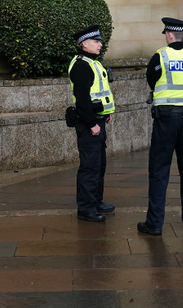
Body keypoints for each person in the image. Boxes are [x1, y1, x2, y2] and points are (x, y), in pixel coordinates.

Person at [138, 17, 183, 235]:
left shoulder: (161, 55)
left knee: (159, 171)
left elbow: (152, 79)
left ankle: (155, 224)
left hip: (166, 119)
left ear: (169, 35)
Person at [69, 25, 116, 222]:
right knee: (89, 166)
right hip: (89, 124)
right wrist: (91, 123)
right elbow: (81, 100)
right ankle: (86, 209)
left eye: (100, 41)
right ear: (84, 44)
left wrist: (104, 114)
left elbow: (97, 94)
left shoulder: (92, 63)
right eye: (96, 42)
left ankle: (96, 201)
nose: (100, 44)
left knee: (99, 165)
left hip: (97, 120)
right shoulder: (81, 65)